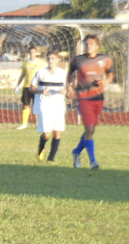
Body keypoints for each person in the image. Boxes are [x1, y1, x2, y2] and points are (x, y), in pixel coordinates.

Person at [67, 35, 114, 170]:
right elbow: (69, 74)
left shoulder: (104, 59)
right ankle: (93, 161)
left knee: (91, 129)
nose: (88, 46)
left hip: (98, 98)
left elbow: (110, 76)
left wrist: (104, 81)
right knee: (89, 129)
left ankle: (76, 152)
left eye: (91, 44)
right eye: (86, 44)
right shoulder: (78, 59)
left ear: (97, 46)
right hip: (83, 97)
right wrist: (69, 87)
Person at [30, 51, 68, 163]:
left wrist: (66, 91)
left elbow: (69, 90)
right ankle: (41, 148)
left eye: (52, 58)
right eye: (49, 58)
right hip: (44, 104)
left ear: (57, 60)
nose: (50, 61)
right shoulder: (41, 73)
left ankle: (51, 158)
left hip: (58, 105)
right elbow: (31, 88)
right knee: (47, 134)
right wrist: (41, 90)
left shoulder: (63, 74)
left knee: (57, 132)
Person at [14, 46, 47, 130]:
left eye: (33, 52)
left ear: (36, 53)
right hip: (27, 87)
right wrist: (17, 85)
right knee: (25, 106)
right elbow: (22, 75)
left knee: (37, 106)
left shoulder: (41, 63)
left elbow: (46, 73)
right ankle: (24, 124)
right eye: (30, 52)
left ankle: (38, 124)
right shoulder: (25, 63)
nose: (32, 54)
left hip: (37, 88)